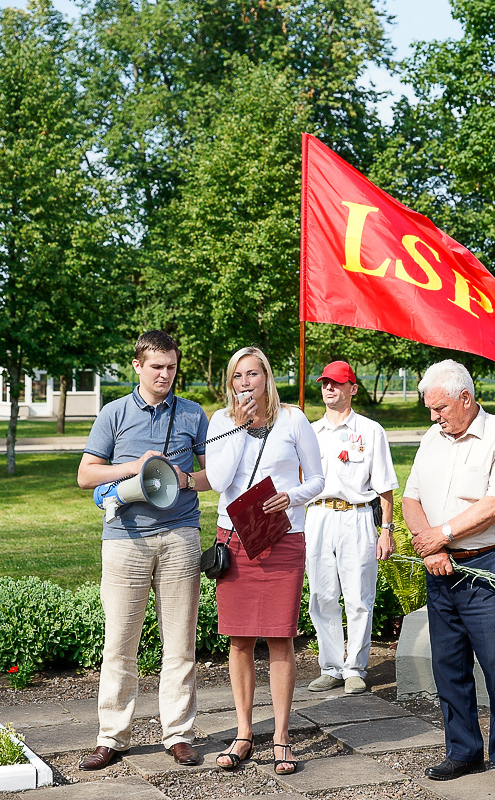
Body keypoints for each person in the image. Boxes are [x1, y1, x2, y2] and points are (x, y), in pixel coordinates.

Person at [76, 330, 214, 770]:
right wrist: (135, 468)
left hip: (180, 535)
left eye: (171, 367)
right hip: (125, 541)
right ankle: (112, 737)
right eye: (156, 367)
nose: (165, 375)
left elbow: (216, 474)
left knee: (181, 642)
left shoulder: (193, 415)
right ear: (137, 365)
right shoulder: (113, 413)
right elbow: (85, 475)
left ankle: (178, 733)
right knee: (119, 642)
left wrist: (186, 479)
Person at [402, 359, 495, 792]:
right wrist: (429, 544)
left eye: (439, 408)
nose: (433, 417)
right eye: (429, 409)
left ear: (465, 398)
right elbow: (411, 498)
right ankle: (462, 750)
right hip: (439, 568)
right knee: (448, 667)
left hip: (487, 565)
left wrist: (443, 535)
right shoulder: (431, 439)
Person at [204, 346, 323, 775]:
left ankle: (282, 736)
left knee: (279, 637)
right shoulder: (221, 421)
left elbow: (319, 478)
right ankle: (243, 733)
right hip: (235, 538)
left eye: (252, 374)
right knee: (238, 639)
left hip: (282, 538)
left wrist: (293, 496)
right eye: (237, 376)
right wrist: (239, 426)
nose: (245, 383)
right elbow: (218, 480)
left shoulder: (293, 419)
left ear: (266, 377)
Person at [304, 361, 397, 696]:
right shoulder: (309, 432)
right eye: (325, 383)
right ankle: (331, 666)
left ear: (353, 388)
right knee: (321, 594)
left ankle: (355, 667)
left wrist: (386, 529)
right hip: (318, 516)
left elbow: (385, 485)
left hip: (357, 516)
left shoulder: (370, 431)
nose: (330, 388)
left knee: (359, 596)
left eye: (338, 383)